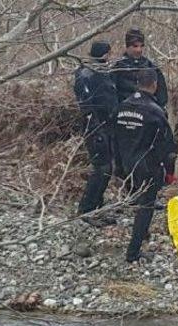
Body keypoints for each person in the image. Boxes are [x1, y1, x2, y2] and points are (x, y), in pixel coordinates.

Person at [113, 69, 178, 263]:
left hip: (126, 162)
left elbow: (114, 139)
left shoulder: (121, 107)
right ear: (155, 85)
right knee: (146, 206)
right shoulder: (155, 111)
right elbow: (166, 147)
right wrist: (169, 173)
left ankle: (143, 233)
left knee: (136, 200)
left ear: (136, 83)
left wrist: (118, 166)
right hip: (147, 165)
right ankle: (133, 252)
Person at [73, 40, 118, 226]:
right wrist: (96, 130)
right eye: (108, 53)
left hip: (106, 125)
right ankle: (86, 210)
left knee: (107, 168)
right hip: (95, 127)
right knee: (102, 168)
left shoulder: (101, 71)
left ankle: (97, 208)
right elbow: (86, 106)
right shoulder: (87, 74)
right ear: (103, 54)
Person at [113, 27, 168, 108]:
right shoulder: (117, 69)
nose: (139, 50)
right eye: (135, 46)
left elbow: (162, 97)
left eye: (141, 46)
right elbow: (111, 98)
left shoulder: (151, 68)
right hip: (124, 114)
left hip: (148, 114)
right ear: (127, 46)